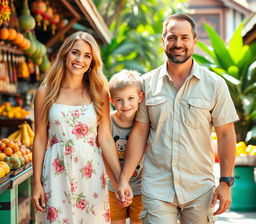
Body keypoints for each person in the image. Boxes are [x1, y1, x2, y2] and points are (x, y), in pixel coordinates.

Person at [116, 13, 239, 224]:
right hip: (157, 187)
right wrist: (124, 179)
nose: (178, 43)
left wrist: (226, 182)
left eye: (184, 37)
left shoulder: (215, 85)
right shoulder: (146, 84)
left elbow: (226, 134)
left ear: (194, 41)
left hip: (200, 189)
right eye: (172, 37)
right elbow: (139, 133)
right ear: (163, 41)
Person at [32, 31, 121, 224]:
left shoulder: (99, 91)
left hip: (90, 171)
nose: (80, 59)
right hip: (56, 171)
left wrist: (121, 179)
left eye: (87, 55)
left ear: (92, 62)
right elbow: (39, 139)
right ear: (65, 54)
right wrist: (36, 183)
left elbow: (105, 137)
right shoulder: (45, 91)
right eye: (75, 52)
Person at [104, 70, 144, 224]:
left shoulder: (144, 123)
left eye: (130, 98)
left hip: (141, 188)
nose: (125, 104)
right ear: (112, 100)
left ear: (140, 97)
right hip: (113, 187)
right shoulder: (108, 123)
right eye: (119, 100)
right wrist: (117, 186)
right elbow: (105, 157)